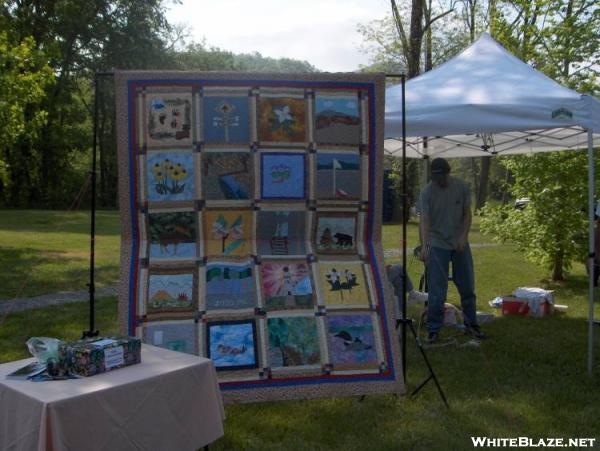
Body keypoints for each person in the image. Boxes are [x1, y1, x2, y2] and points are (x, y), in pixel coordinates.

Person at [418, 157, 486, 343]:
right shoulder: (426, 193)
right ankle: (433, 329)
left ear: (448, 173)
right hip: (437, 242)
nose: (439, 180)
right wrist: (425, 246)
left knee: (467, 286)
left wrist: (463, 236)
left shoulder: (462, 187)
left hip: (459, 243)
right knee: (437, 290)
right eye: (436, 177)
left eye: (442, 176)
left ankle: (472, 325)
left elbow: (467, 214)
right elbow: (424, 220)